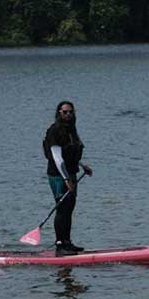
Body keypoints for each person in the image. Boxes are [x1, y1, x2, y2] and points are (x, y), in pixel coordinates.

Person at [44, 101, 93, 256]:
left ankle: (67, 242)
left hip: (71, 173)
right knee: (62, 208)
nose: (68, 114)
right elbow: (57, 158)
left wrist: (83, 165)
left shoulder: (71, 130)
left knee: (69, 207)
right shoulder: (55, 130)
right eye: (65, 112)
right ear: (59, 113)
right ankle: (60, 245)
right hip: (58, 176)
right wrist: (66, 179)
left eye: (71, 112)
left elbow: (70, 153)